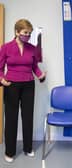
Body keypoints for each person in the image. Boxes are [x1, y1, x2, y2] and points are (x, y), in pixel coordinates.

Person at [0, 19, 46, 163]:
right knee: (11, 118)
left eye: (29, 33)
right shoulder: (5, 47)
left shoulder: (32, 48)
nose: (27, 35)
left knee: (27, 117)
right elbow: (0, 68)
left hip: (28, 85)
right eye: (25, 32)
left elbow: (35, 68)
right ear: (17, 31)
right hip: (11, 85)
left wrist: (40, 75)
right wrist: (1, 79)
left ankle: (28, 148)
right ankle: (9, 152)